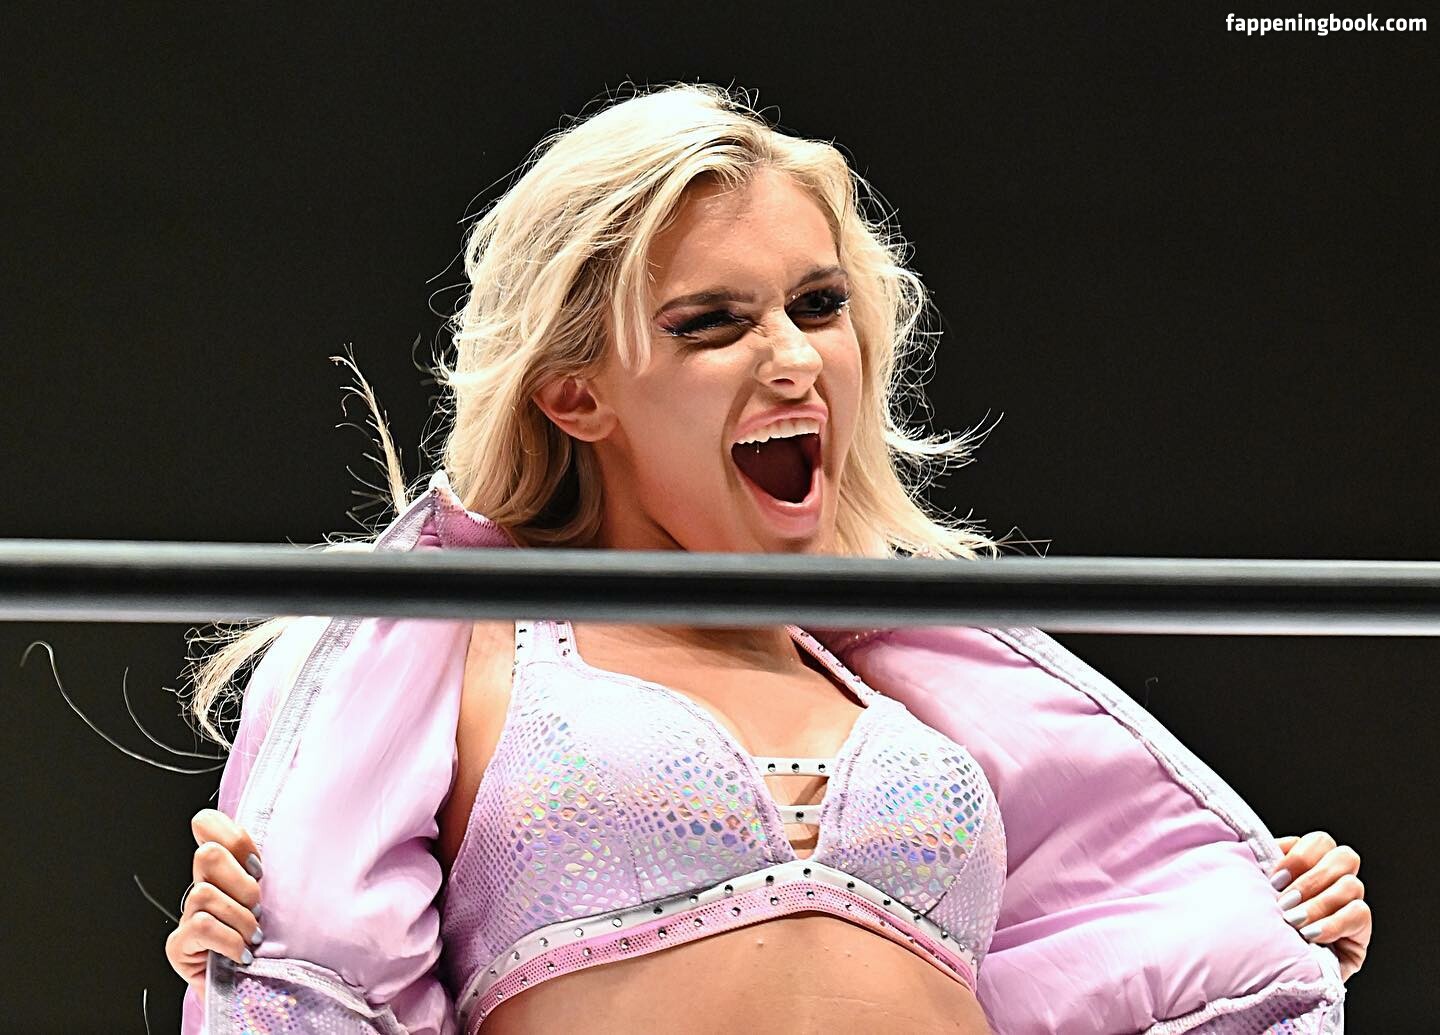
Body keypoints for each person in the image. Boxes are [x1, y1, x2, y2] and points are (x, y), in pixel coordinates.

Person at [166, 84, 1370, 1033]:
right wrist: (255, 943)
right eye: (715, 323)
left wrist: (1257, 921)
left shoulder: (917, 692)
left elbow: (1117, 956)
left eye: (819, 305)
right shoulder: (462, 653)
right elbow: (324, 960)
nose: (793, 359)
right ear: (575, 394)